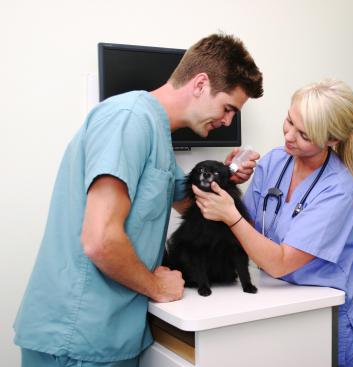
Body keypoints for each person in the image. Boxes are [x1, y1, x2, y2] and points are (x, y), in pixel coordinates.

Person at [13, 33, 263, 367]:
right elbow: (100, 240)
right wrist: (157, 286)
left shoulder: (157, 133)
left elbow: (193, 208)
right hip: (79, 336)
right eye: (228, 108)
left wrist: (225, 180)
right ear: (201, 84)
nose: (228, 121)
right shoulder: (129, 119)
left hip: (113, 333)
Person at [193, 79, 353, 367]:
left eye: (304, 134)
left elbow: (280, 261)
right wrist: (227, 183)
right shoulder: (275, 162)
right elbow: (241, 231)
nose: (288, 136)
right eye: (289, 121)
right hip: (276, 304)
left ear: (332, 140)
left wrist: (231, 214)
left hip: (322, 314)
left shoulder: (338, 191)